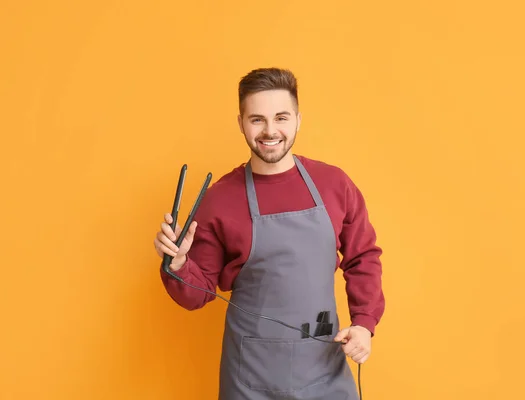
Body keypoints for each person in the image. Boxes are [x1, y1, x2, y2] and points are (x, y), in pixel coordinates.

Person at [153, 67, 384, 400]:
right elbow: (197, 292)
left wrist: (363, 323)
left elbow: (363, 257)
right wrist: (178, 265)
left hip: (323, 365)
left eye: (281, 117)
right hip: (251, 378)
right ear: (241, 123)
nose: (270, 130)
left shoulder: (335, 185)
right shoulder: (219, 198)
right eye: (257, 119)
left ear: (298, 120)